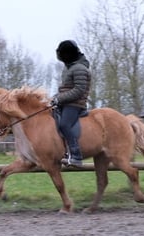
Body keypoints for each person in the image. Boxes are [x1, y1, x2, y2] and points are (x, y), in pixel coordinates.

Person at [51, 40, 91, 168]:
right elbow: (65, 88)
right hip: (66, 102)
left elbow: (79, 90)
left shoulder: (80, 68)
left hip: (75, 104)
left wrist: (60, 99)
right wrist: (55, 97)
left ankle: (76, 156)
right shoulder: (69, 67)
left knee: (65, 124)